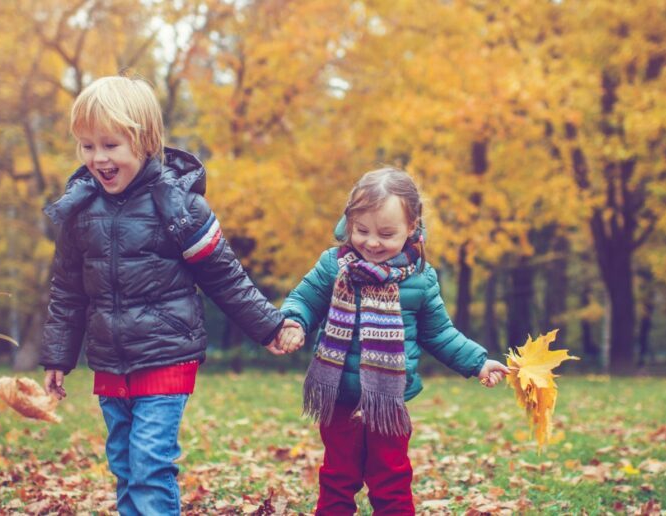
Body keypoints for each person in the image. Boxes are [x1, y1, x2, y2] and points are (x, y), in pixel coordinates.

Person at [39, 75, 302, 515]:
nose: (97, 158)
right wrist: (57, 357)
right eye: (87, 147)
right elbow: (68, 291)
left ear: (143, 142)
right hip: (110, 359)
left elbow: (224, 276)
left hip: (165, 355)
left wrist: (270, 326)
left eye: (110, 145)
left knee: (148, 463)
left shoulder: (179, 205)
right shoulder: (78, 210)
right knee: (123, 463)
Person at [279, 167, 512, 515]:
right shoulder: (334, 266)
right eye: (362, 230)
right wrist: (294, 322)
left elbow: (439, 332)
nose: (372, 242)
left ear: (411, 228)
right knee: (336, 479)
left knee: (392, 480)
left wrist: (477, 361)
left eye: (386, 234)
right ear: (349, 223)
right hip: (339, 397)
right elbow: (306, 299)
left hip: (389, 404)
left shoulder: (420, 279)